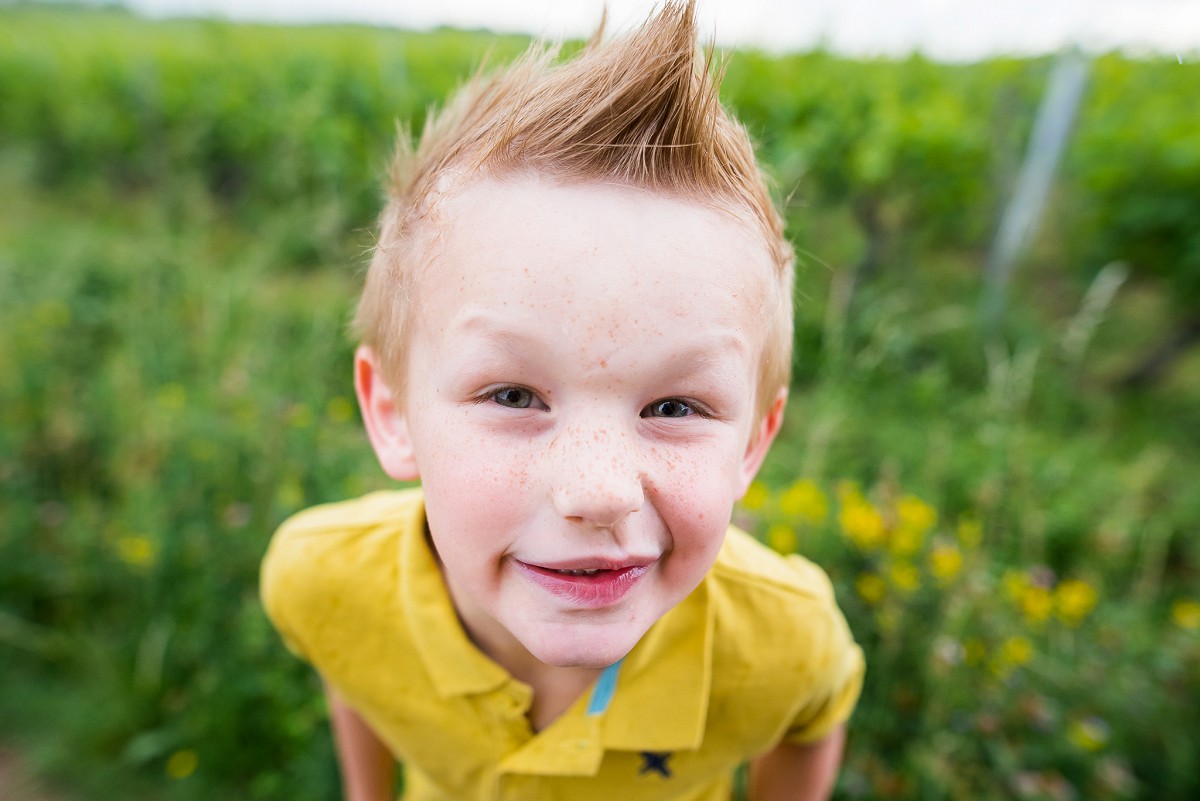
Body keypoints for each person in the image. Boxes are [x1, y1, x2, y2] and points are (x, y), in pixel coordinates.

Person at [260, 2, 864, 799]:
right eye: (514, 394)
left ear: (753, 441)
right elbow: (357, 671)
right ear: (393, 413)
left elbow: (810, 718)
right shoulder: (323, 580)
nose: (598, 491)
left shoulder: (787, 639)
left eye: (676, 407)